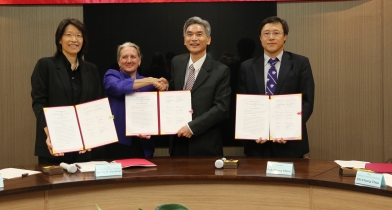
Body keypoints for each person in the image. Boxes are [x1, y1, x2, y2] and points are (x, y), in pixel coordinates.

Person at [237, 16, 315, 158]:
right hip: (257, 145)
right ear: (260, 38)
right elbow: (243, 104)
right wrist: (252, 131)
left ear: (285, 36)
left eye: (276, 33)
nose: (271, 37)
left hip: (291, 145)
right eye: (266, 33)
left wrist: (290, 130)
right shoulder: (247, 67)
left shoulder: (301, 63)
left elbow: (307, 102)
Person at [31, 18, 102, 164]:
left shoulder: (92, 69)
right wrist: (50, 132)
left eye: (79, 35)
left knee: (84, 187)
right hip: (55, 146)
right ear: (59, 39)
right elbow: (39, 102)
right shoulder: (45, 65)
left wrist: (92, 135)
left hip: (84, 149)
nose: (74, 39)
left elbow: (96, 105)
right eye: (68, 35)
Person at [168, 16, 231, 156]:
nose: (194, 39)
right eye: (189, 34)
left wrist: (192, 127)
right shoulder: (176, 62)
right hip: (178, 141)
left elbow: (221, 108)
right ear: (184, 39)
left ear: (208, 39)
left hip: (205, 143)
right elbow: (174, 93)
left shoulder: (221, 70)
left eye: (199, 34)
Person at [103, 42, 168, 159]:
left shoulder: (150, 84)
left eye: (133, 57)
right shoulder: (111, 76)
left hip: (144, 144)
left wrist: (164, 87)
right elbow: (119, 87)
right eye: (124, 57)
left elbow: (160, 109)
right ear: (118, 61)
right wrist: (150, 80)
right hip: (119, 143)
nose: (129, 60)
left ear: (139, 60)